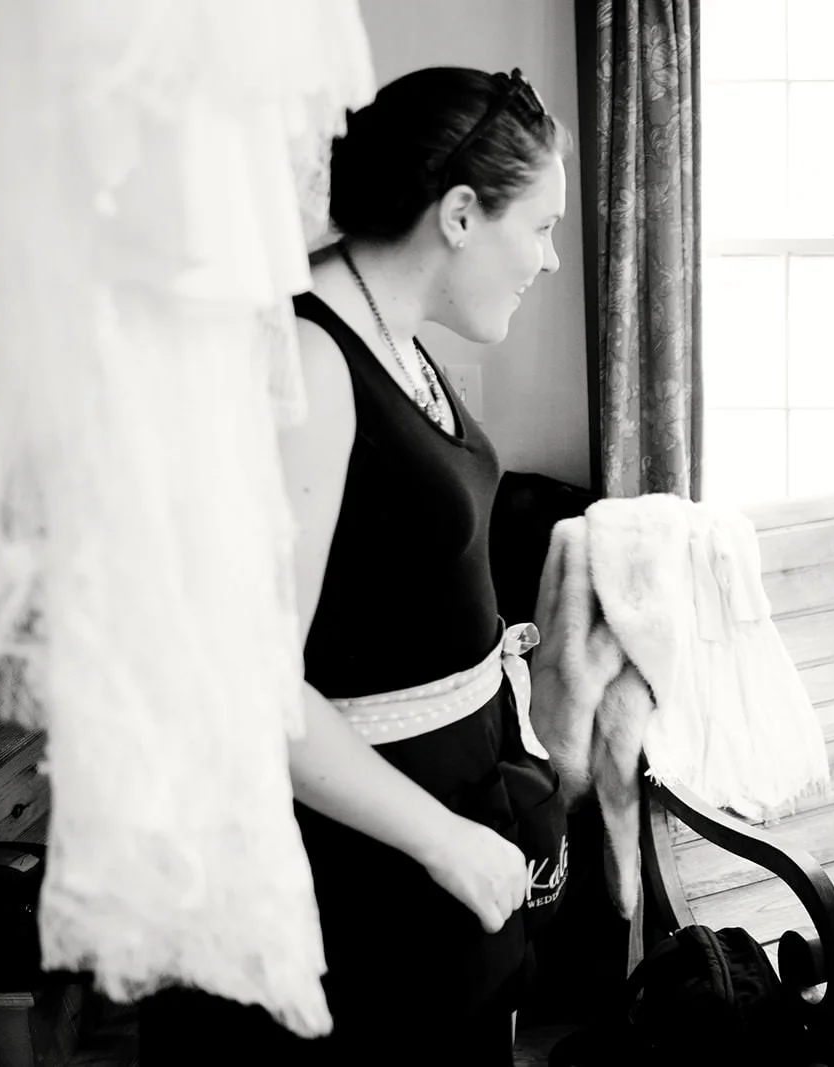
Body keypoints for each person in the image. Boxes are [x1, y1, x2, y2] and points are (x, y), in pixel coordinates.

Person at [138, 66, 571, 1065]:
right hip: (360, 870)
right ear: (459, 215)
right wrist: (443, 839)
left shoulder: (397, 336)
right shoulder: (308, 360)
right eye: (541, 227)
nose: (549, 259)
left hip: (444, 822)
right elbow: (255, 687)